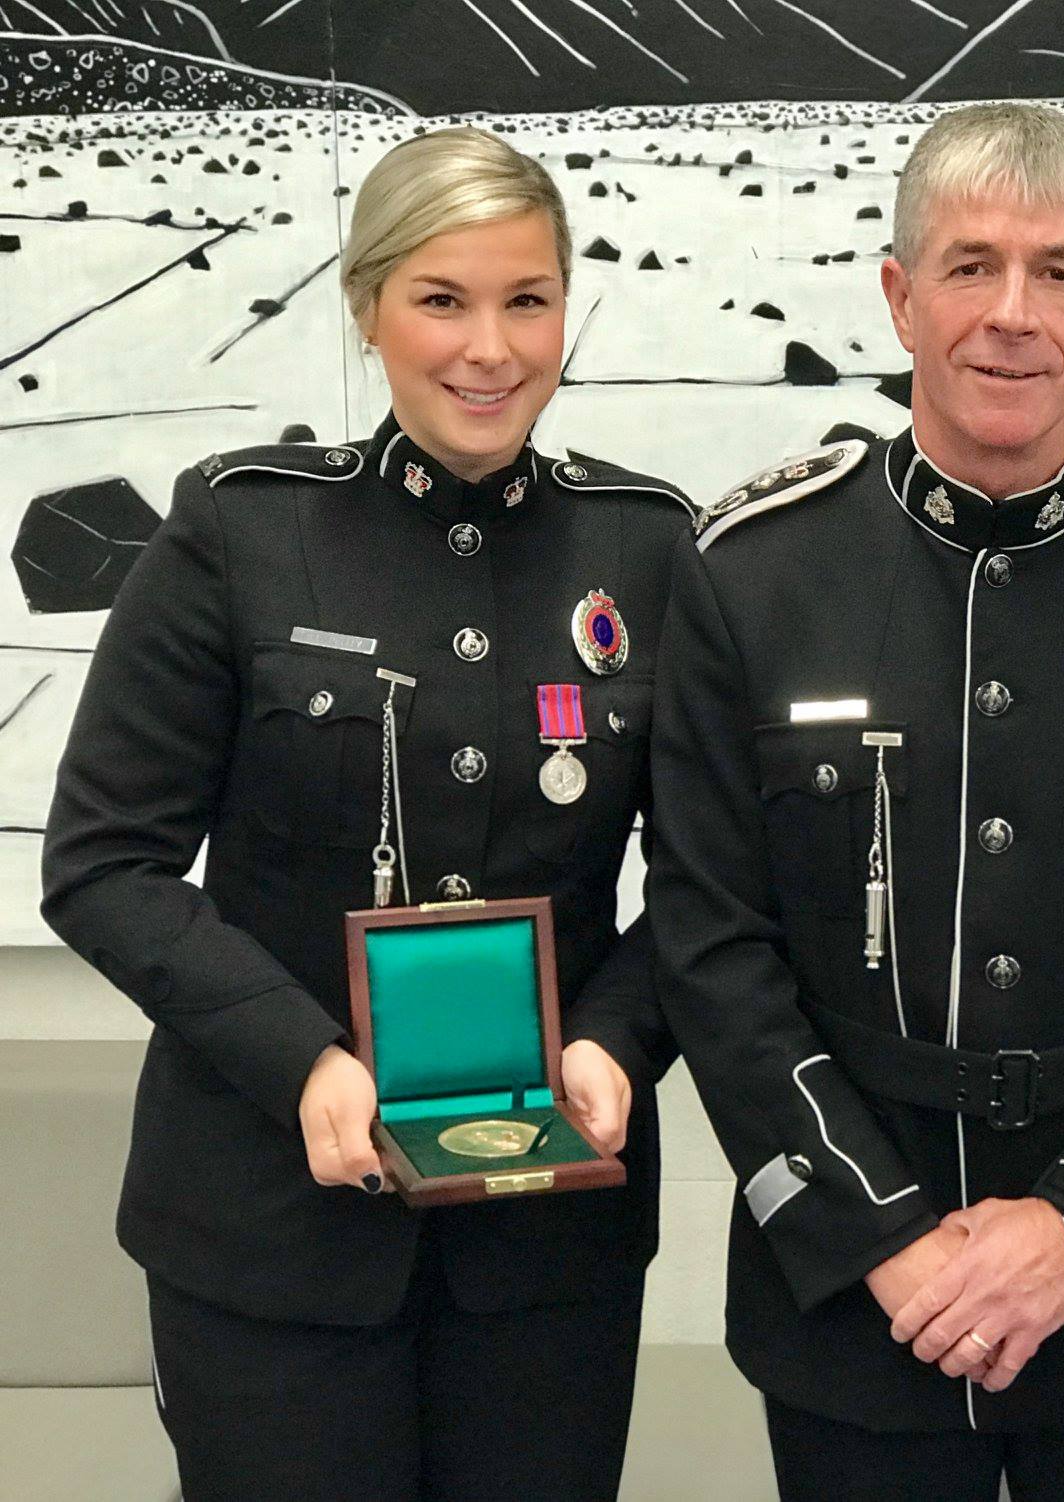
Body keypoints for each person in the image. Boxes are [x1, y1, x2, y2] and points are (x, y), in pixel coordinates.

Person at [647, 103, 1064, 1500]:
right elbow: (712, 944)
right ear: (899, 295)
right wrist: (886, 1234)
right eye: (970, 266)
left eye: (1058, 272)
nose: (1013, 314)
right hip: (853, 1303)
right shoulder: (752, 573)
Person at [40, 126, 692, 1502]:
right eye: (441, 300)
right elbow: (106, 863)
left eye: (528, 299)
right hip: (270, 1229)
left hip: (543, 1251)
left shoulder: (647, 548)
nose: (490, 348)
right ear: (367, 306)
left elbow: (708, 887)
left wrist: (617, 1041)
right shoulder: (239, 531)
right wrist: (304, 1060)